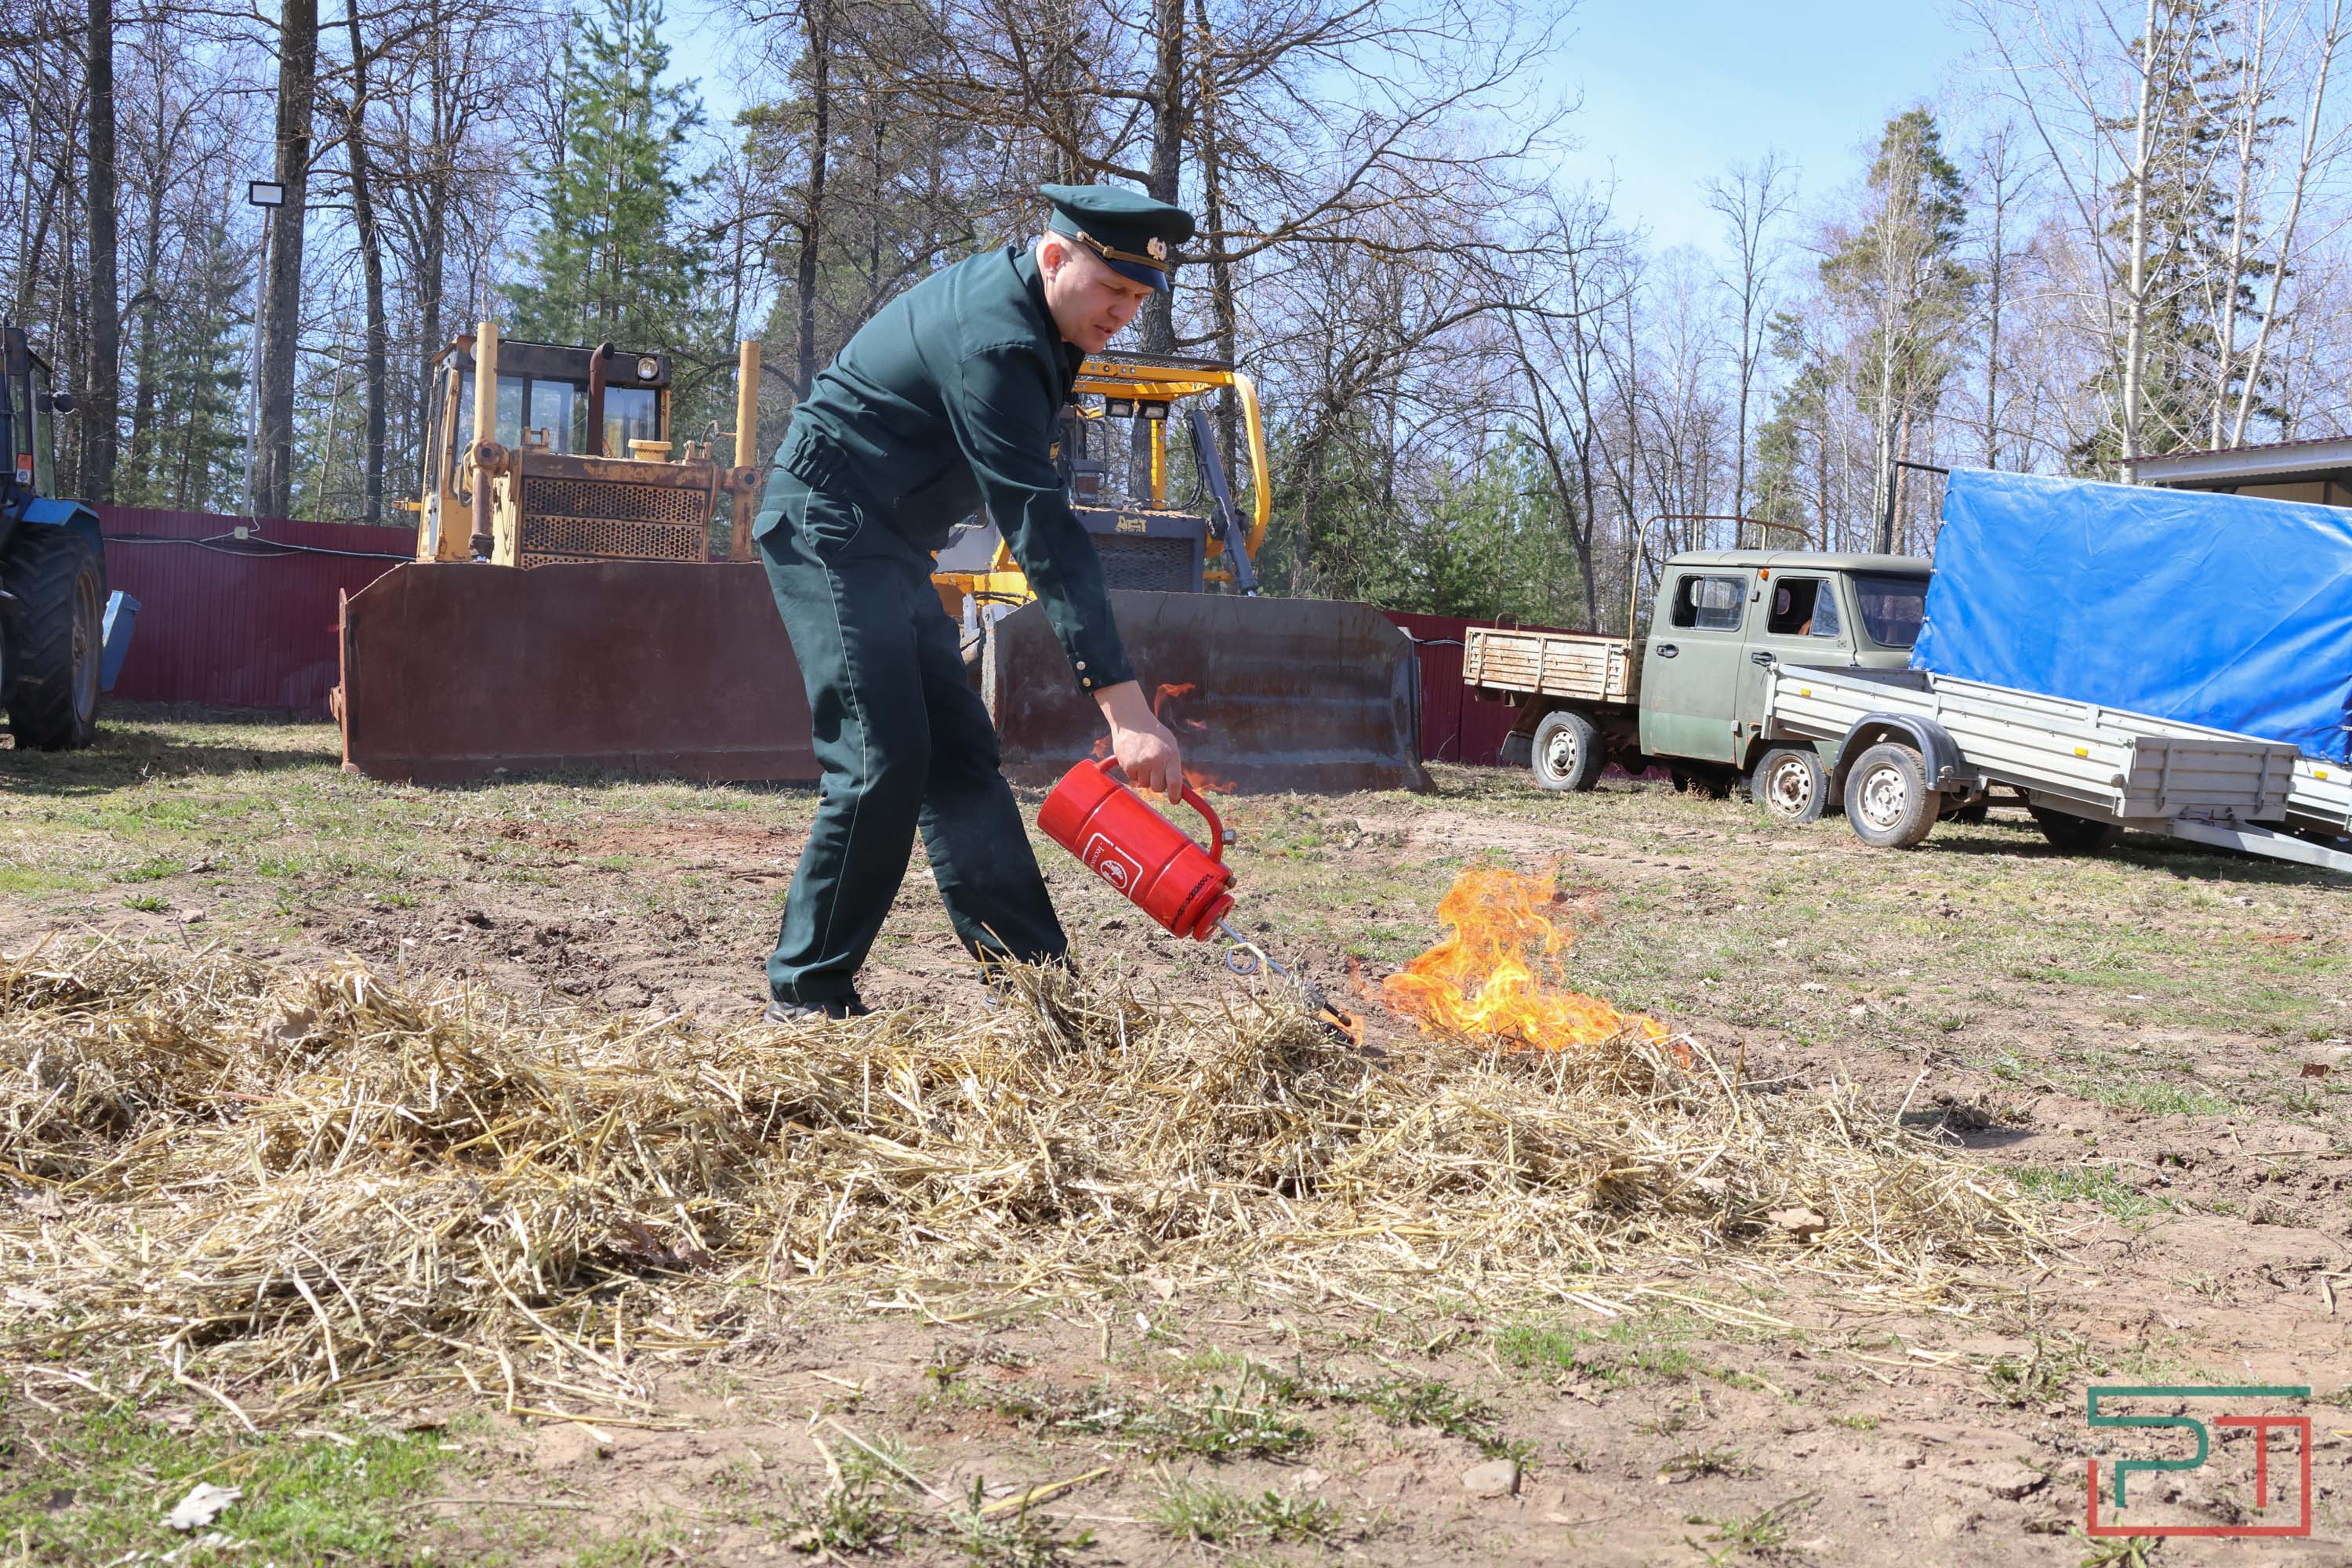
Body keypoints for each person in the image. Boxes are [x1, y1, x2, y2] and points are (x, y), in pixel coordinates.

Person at [752, 184, 1195, 1022]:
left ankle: (1039, 991)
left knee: (958, 755)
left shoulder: (1040, 323)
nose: (1124, 314)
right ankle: (807, 996)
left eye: (1139, 298)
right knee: (881, 756)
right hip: (828, 527)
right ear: (1055, 256)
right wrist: (1127, 711)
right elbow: (1040, 526)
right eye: (1114, 289)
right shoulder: (995, 337)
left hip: (886, 545)